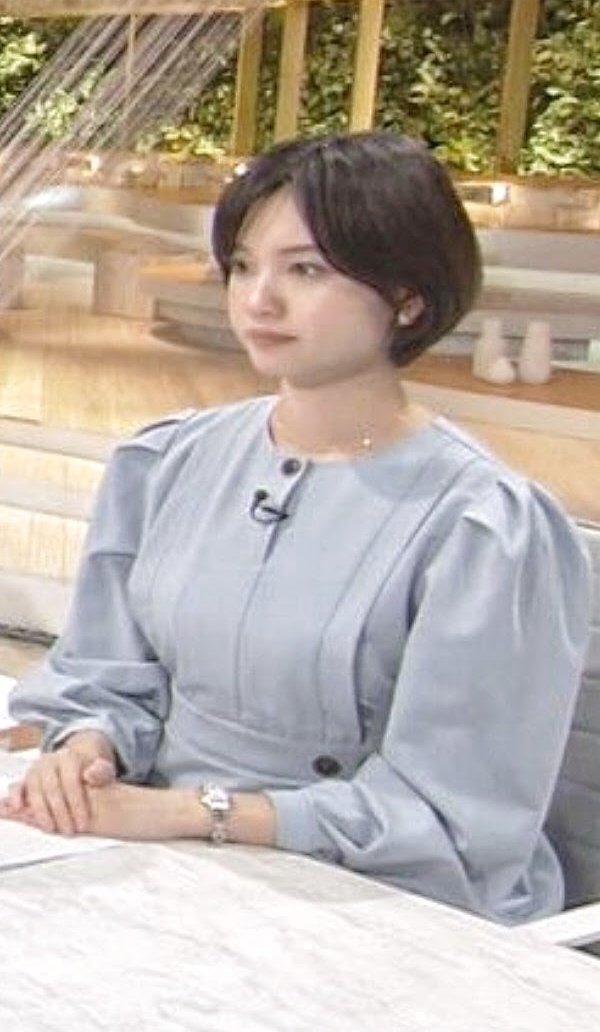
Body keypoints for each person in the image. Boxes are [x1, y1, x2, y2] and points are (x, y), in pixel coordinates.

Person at [0, 131, 591, 924]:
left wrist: (195, 813)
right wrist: (86, 752)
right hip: (157, 860)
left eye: (305, 270)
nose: (259, 300)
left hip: (383, 904)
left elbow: (450, 820)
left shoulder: (485, 527)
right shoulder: (164, 461)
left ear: (408, 297)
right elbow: (103, 676)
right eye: (245, 266)